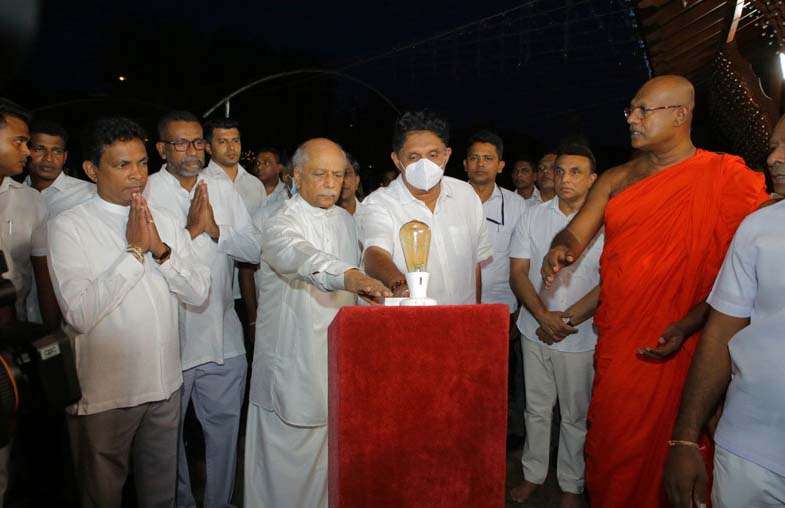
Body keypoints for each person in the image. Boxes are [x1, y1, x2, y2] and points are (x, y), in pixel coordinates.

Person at [541, 75, 768, 507]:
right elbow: (577, 233)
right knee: (612, 445)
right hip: (625, 345)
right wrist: (560, 249)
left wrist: (690, 321)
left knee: (683, 453)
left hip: (694, 340)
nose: (632, 119)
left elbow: (741, 273)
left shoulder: (726, 177)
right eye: (631, 110)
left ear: (681, 114)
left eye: (644, 110)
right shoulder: (616, 178)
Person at [47, 117, 210, 508]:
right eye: (122, 165)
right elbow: (80, 314)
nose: (137, 175)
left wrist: (162, 251)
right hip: (106, 394)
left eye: (141, 163)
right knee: (102, 496)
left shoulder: (167, 220)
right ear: (91, 170)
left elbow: (199, 292)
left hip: (164, 385)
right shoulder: (69, 227)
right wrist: (135, 253)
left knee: (160, 497)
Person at [245, 138, 390, 508]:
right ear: (296, 176)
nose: (331, 183)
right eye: (320, 173)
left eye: (338, 175)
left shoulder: (345, 219)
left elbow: (355, 294)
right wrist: (350, 276)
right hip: (292, 367)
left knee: (331, 465)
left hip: (336, 362)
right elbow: (300, 256)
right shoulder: (278, 222)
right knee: (283, 472)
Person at [664, 115, 785, 508]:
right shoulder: (759, 228)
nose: (774, 158)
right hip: (751, 450)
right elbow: (721, 332)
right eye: (773, 147)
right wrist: (685, 438)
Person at [144, 111, 261, 508]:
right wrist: (193, 232)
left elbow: (253, 249)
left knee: (225, 435)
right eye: (180, 143)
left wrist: (214, 230)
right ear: (161, 148)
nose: (192, 150)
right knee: (167, 440)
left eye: (197, 142)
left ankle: (219, 503)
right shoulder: (146, 191)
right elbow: (152, 263)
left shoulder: (221, 188)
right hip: (169, 339)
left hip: (222, 335)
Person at [508, 143, 602, 507]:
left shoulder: (605, 220)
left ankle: (571, 484)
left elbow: (609, 280)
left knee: (576, 415)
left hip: (579, 335)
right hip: (535, 329)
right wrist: (542, 317)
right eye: (560, 171)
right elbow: (518, 272)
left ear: (594, 179)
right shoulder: (534, 216)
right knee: (536, 407)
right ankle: (533, 474)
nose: (565, 178)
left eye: (576, 172)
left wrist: (567, 319)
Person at [356, 110, 492, 304]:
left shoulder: (466, 196)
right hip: (412, 324)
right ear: (397, 160)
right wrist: (400, 285)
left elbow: (476, 264)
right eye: (413, 157)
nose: (424, 164)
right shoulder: (379, 204)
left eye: (433, 154)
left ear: (447, 154)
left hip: (463, 322)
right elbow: (374, 254)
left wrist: (476, 314)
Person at [463, 130, 527, 440]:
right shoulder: (449, 200)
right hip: (457, 307)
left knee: (498, 379)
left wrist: (516, 310)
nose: (480, 164)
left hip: (500, 307)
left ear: (500, 165)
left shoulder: (517, 206)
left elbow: (521, 262)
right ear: (464, 164)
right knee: (460, 378)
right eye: (474, 158)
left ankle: (496, 439)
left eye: (487, 158)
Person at [0, 98, 45, 508]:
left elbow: (38, 271)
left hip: (12, 336)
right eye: (19, 141)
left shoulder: (29, 199)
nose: (28, 152)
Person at [24, 119, 95, 329]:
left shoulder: (87, 195)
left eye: (56, 151)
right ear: (26, 151)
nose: (48, 158)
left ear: (65, 157)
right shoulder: (14, 196)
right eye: (39, 149)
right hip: (23, 315)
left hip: (73, 317)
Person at [203, 117, 265, 349]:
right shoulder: (201, 183)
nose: (232, 148)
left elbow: (260, 237)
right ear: (208, 147)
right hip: (215, 289)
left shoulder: (254, 185)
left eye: (236, 140)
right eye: (223, 141)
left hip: (251, 287)